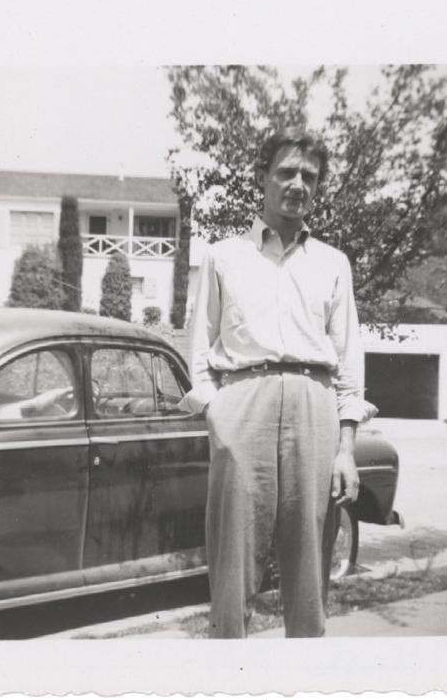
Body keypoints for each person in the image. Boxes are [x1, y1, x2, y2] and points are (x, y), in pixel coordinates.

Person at [179, 127, 378, 638]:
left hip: (315, 407)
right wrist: (216, 415)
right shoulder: (224, 256)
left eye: (309, 176)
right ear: (261, 178)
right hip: (242, 404)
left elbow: (347, 358)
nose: (297, 184)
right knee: (232, 560)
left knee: (310, 563)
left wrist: (346, 448)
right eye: (286, 172)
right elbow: (199, 346)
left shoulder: (334, 263)